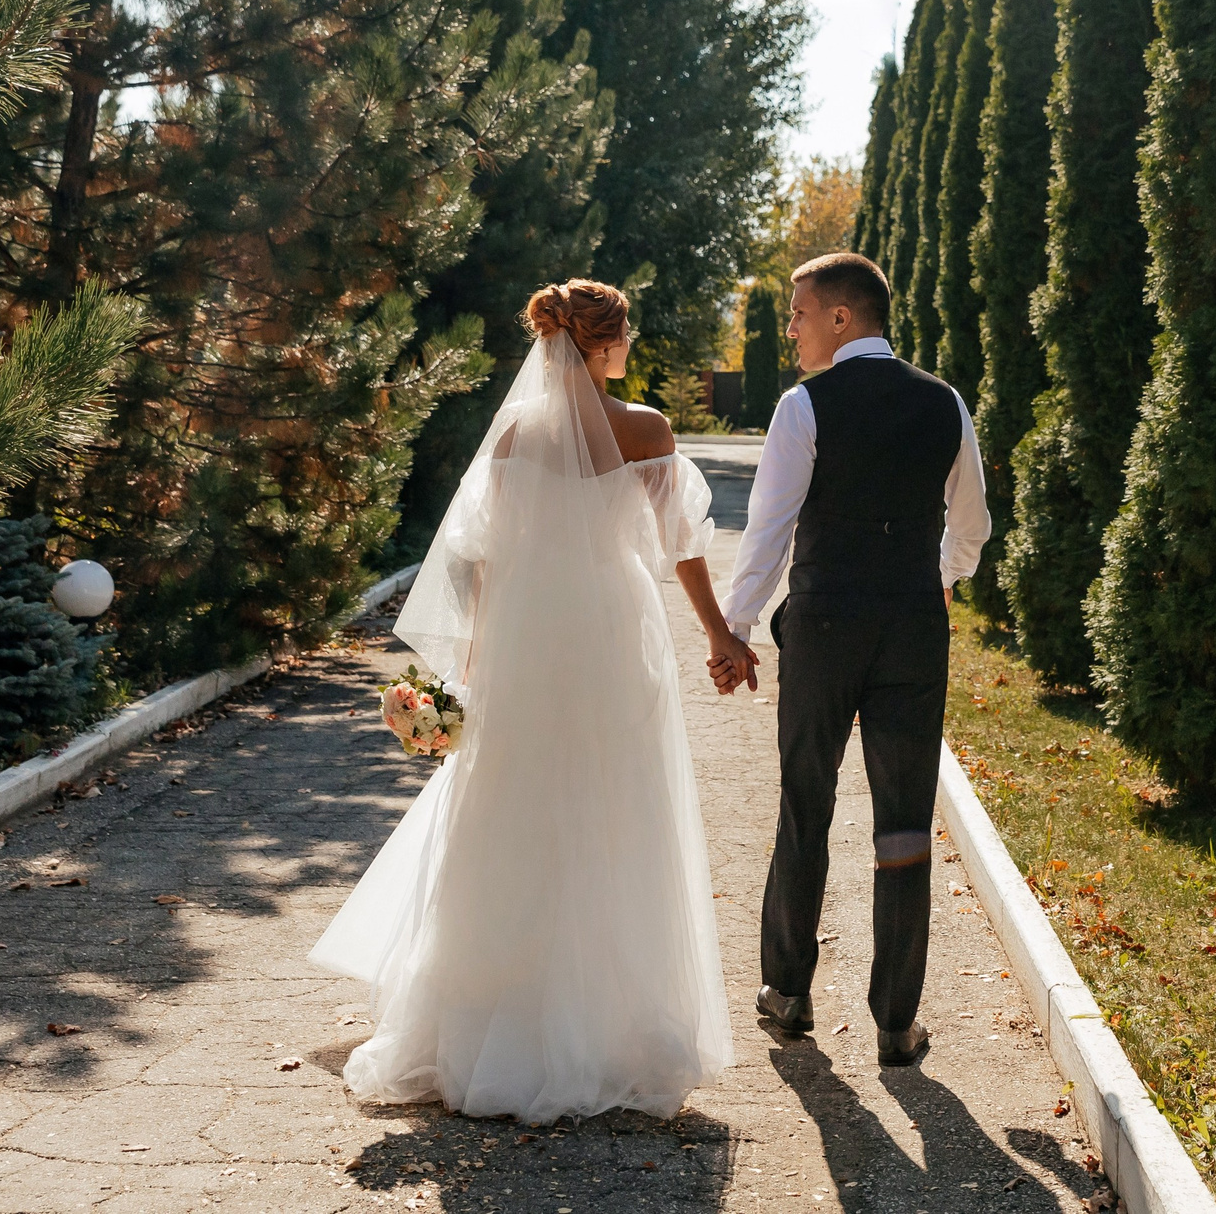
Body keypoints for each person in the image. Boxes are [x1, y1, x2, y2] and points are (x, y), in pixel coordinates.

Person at [309, 280, 735, 1122]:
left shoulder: (512, 436)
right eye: (626, 334)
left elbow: (485, 563)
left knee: (512, 806)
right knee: (615, 807)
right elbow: (682, 549)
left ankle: (489, 1024)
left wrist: (467, 673)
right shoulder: (645, 429)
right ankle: (606, 1027)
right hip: (611, 634)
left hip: (526, 636)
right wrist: (721, 635)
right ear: (605, 344)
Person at [707, 251, 991, 1067]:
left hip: (826, 627)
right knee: (903, 822)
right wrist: (936, 580)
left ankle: (787, 990)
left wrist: (737, 628)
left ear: (842, 317)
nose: (790, 328)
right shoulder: (945, 402)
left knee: (807, 801)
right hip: (911, 631)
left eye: (799, 312)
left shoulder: (805, 405)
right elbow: (970, 524)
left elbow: (768, 530)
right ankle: (897, 1021)